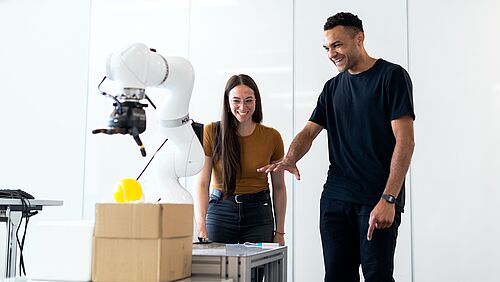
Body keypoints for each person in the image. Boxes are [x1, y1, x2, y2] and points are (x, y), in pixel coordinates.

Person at [259, 12, 415, 282]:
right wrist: (290, 157)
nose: (332, 53)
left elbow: (406, 141)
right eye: (327, 47)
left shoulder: (391, 77)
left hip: (376, 199)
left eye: (338, 45)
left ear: (359, 38)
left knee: (377, 275)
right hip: (335, 199)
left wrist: (389, 198)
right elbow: (309, 131)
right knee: (336, 276)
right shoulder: (332, 88)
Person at [195, 74, 287, 246]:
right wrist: (201, 225)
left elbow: (279, 187)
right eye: (236, 100)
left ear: (256, 102)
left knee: (255, 272)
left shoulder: (272, 137)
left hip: (258, 214)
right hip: (220, 211)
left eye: (248, 100)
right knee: (218, 271)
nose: (242, 107)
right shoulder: (211, 131)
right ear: (227, 103)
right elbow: (202, 183)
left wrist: (280, 232)